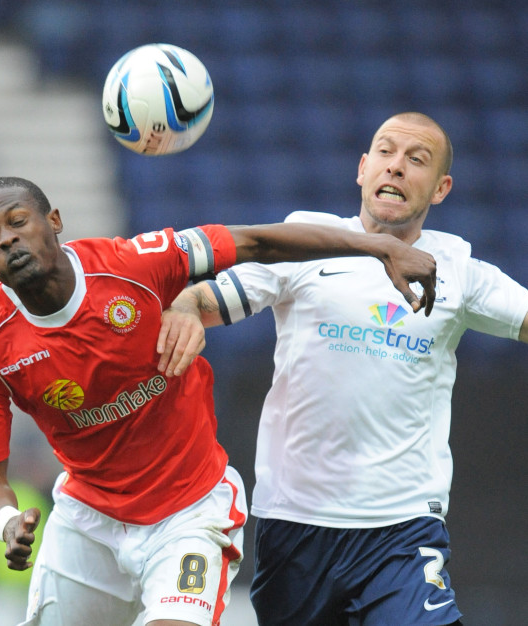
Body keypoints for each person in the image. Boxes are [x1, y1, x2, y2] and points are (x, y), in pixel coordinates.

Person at [0, 174, 438, 626]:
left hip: (189, 510)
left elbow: (256, 242)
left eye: (17, 222)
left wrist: (377, 246)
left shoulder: (132, 264)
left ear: (53, 222)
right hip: (88, 521)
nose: (7, 239)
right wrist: (8, 521)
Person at [158, 112, 528, 626]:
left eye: (415, 159)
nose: (396, 167)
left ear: (441, 188)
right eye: (385, 152)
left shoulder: (458, 270)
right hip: (296, 525)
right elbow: (203, 299)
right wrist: (183, 308)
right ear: (362, 168)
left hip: (402, 530)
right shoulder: (304, 243)